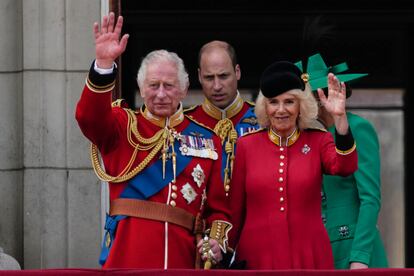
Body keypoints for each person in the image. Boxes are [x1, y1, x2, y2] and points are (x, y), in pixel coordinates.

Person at [75, 12, 232, 269]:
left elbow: (219, 211)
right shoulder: (122, 126)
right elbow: (88, 117)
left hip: (183, 259)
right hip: (127, 257)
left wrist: (214, 241)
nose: (160, 94)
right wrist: (103, 64)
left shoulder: (208, 139)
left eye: (169, 86)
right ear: (140, 87)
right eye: (153, 85)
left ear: (184, 88)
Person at [229, 60, 358, 269]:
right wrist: (226, 253)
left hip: (309, 253)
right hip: (257, 255)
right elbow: (235, 210)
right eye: (273, 102)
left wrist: (340, 118)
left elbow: (345, 166)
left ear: (301, 106)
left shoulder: (318, 140)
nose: (281, 110)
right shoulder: (246, 146)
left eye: (289, 102)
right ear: (264, 106)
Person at [297, 53, 388, 269]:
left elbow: (370, 199)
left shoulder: (357, 128)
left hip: (354, 249)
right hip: (320, 251)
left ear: (321, 97)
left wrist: (360, 257)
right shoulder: (306, 136)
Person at [184, 41, 260, 197]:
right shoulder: (185, 123)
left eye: (223, 76)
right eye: (209, 78)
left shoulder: (263, 120)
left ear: (237, 72)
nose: (217, 86)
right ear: (199, 76)